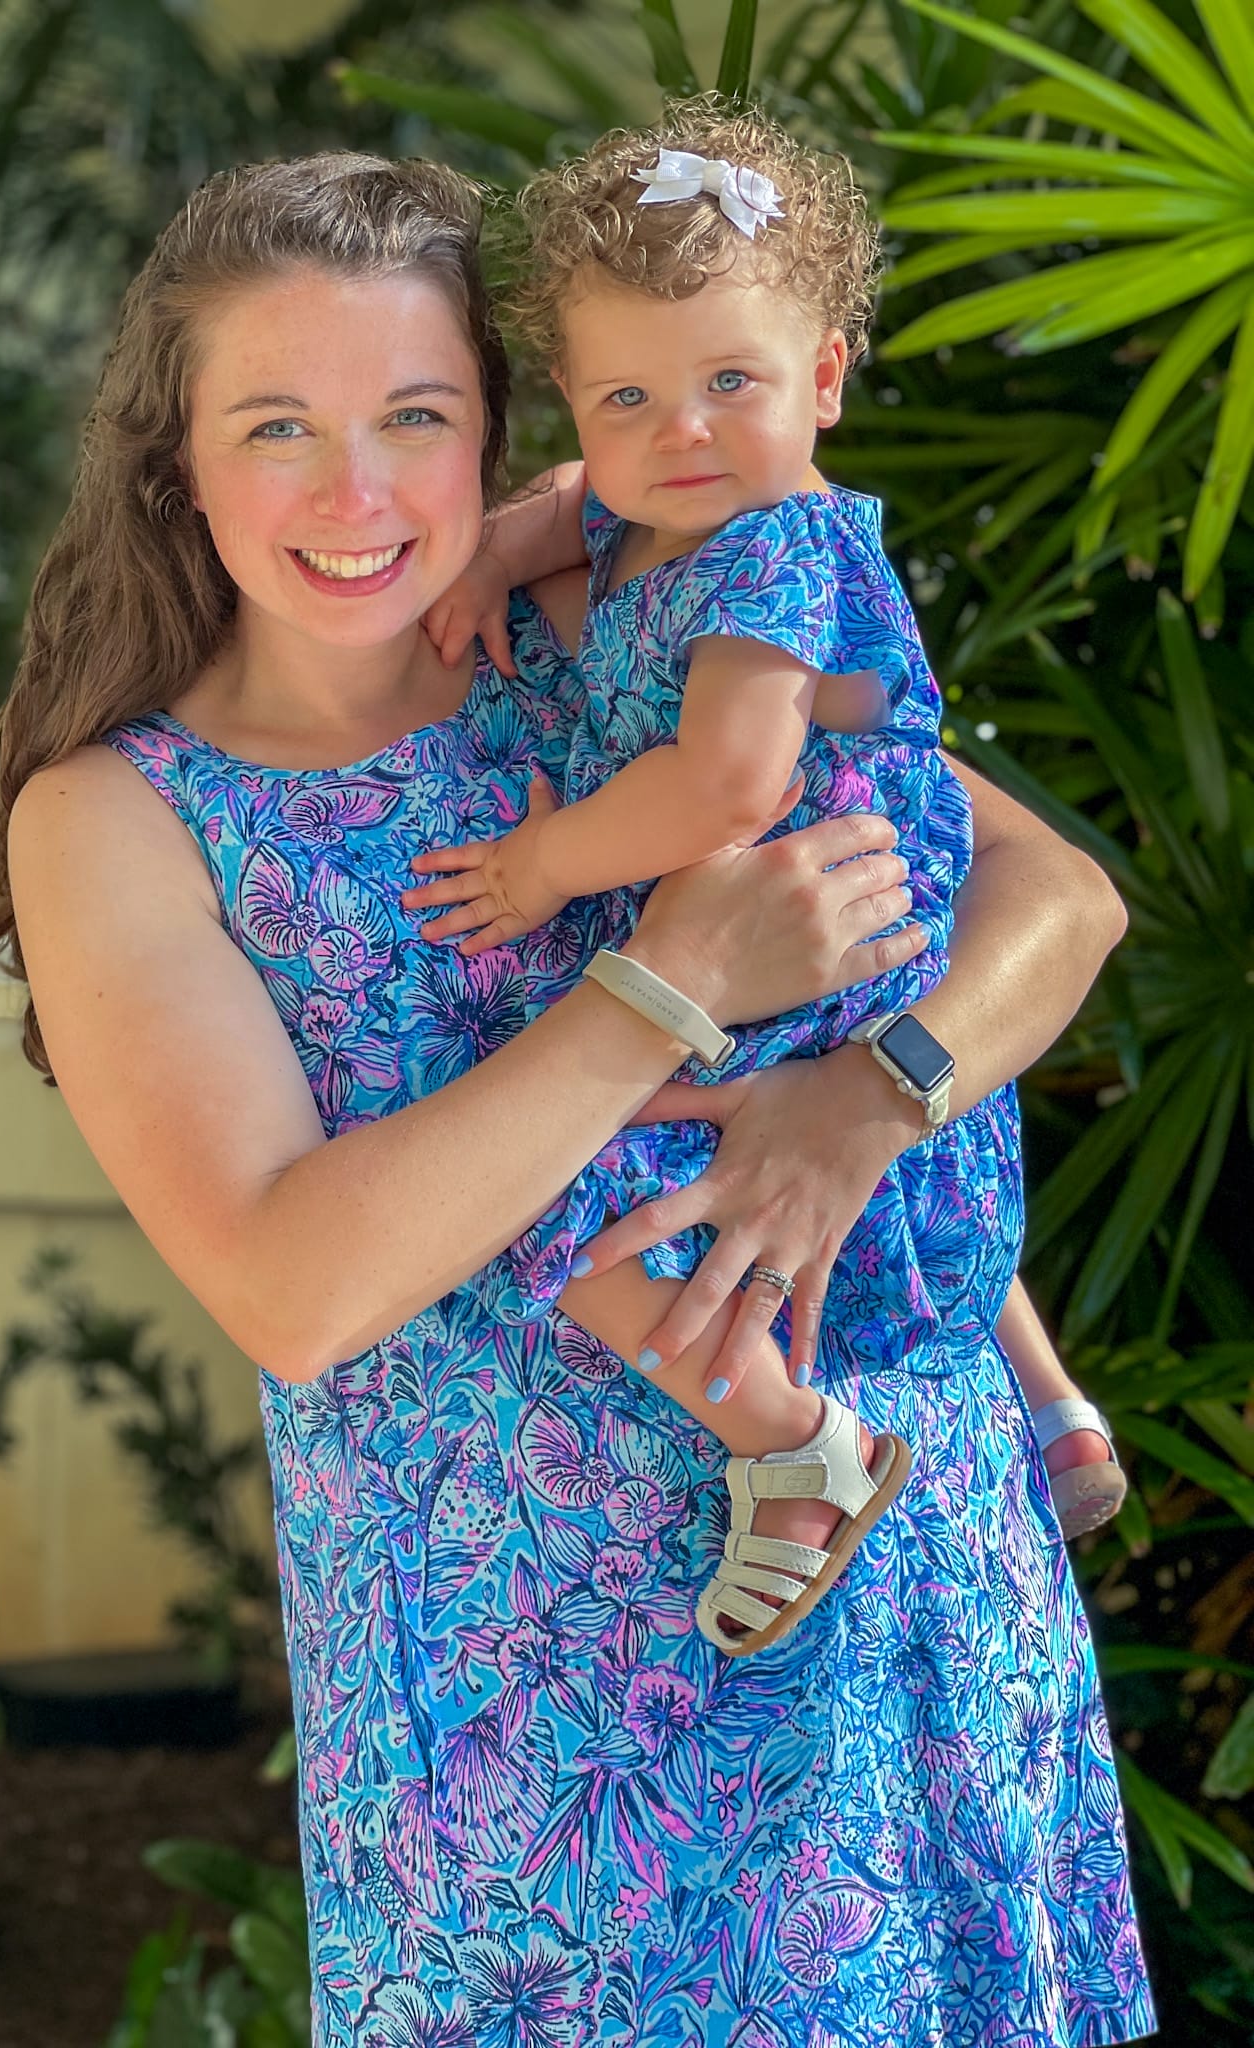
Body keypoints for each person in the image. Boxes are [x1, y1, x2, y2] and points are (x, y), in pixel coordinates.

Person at [0, 153, 1154, 2045]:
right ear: (173, 457)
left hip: (899, 1609)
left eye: (414, 420)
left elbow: (1058, 900)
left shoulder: (623, 644)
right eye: (279, 427)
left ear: (498, 440)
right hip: (529, 1771)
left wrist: (873, 1092)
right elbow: (294, 1282)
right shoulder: (120, 815)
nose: (357, 495)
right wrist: (670, 985)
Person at [408, 105, 1124, 1651]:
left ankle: (791, 1439)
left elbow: (729, 782)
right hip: (835, 948)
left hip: (835, 932)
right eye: (629, 397)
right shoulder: (654, 502)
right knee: (920, 1195)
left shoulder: (771, 550)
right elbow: (564, 503)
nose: (683, 430)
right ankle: (1047, 1394)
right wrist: (487, 553)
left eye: (732, 383)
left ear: (825, 379)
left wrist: (542, 866)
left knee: (541, 1175)